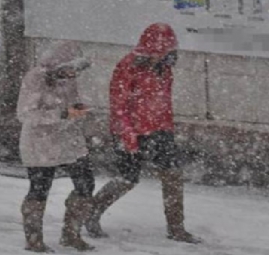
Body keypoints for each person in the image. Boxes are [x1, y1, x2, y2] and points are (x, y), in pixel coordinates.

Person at [85, 23, 201, 244]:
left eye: (169, 50)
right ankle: (92, 212)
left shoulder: (164, 69)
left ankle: (176, 228)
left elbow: (164, 102)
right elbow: (118, 103)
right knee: (127, 179)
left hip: (160, 130)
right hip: (132, 131)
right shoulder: (128, 66)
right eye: (163, 51)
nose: (166, 55)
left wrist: (167, 127)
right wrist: (127, 133)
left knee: (172, 176)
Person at [16, 41, 96, 252]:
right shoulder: (35, 78)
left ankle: (71, 233)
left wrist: (78, 108)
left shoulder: (68, 79)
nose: (73, 75)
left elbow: (73, 101)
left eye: (76, 70)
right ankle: (34, 240)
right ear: (57, 64)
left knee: (86, 183)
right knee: (40, 190)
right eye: (70, 69)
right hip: (40, 142)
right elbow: (25, 114)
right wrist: (61, 114)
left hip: (68, 139)